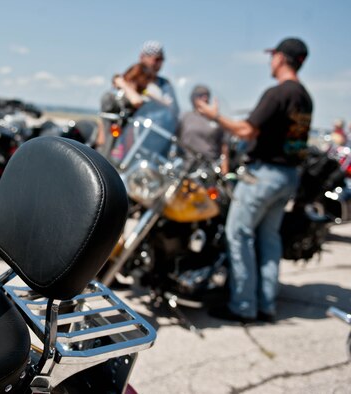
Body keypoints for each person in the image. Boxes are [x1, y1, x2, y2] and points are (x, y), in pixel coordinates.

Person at [195, 37, 313, 323]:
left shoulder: (277, 93)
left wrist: (215, 116)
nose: (270, 61)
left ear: (282, 58)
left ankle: (243, 306)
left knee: (238, 234)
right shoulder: (304, 97)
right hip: (288, 176)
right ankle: (266, 304)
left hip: (264, 175)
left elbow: (246, 130)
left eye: (273, 56)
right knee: (269, 240)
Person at [113, 40, 179, 118]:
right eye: (156, 59)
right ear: (142, 57)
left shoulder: (165, 84)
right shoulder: (130, 76)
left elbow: (174, 109)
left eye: (161, 59)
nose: (158, 63)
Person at [177, 85, 229, 173]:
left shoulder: (216, 119)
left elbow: (224, 146)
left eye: (207, 95)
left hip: (209, 168)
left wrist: (224, 169)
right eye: (200, 95)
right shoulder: (186, 117)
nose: (205, 98)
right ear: (193, 98)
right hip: (186, 166)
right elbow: (176, 139)